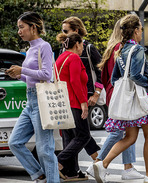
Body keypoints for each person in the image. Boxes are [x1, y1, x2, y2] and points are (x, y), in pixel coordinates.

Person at [93, 14, 148, 183]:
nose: (142, 32)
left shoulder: (120, 50)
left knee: (129, 137)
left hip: (128, 101)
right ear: (135, 31)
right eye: (141, 28)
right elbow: (135, 75)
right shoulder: (138, 49)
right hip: (141, 98)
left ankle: (102, 164)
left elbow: (114, 78)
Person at [85, 18, 144, 180]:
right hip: (122, 94)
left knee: (126, 128)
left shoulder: (112, 48)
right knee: (119, 132)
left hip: (113, 93)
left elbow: (104, 76)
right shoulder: (123, 48)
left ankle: (128, 167)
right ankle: (97, 164)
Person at [7, 11, 59, 183]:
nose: (19, 31)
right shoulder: (29, 49)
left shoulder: (44, 46)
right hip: (30, 102)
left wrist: (22, 70)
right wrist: (18, 75)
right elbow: (31, 76)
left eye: (22, 27)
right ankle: (39, 175)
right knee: (14, 142)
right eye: (18, 28)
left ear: (33, 27)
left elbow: (46, 74)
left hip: (41, 100)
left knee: (45, 149)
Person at [61, 16, 102, 161]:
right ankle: (93, 162)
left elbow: (100, 71)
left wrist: (96, 93)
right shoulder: (65, 50)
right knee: (77, 133)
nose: (64, 34)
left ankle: (94, 161)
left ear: (76, 31)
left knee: (78, 132)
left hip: (86, 96)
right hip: (70, 98)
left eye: (66, 31)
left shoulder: (89, 48)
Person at [55, 32, 89, 181]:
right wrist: (83, 103)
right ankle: (59, 160)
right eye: (82, 44)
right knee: (83, 136)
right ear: (77, 44)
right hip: (74, 103)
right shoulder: (74, 57)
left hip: (63, 103)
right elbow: (75, 81)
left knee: (70, 138)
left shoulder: (61, 57)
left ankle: (71, 171)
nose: (83, 47)